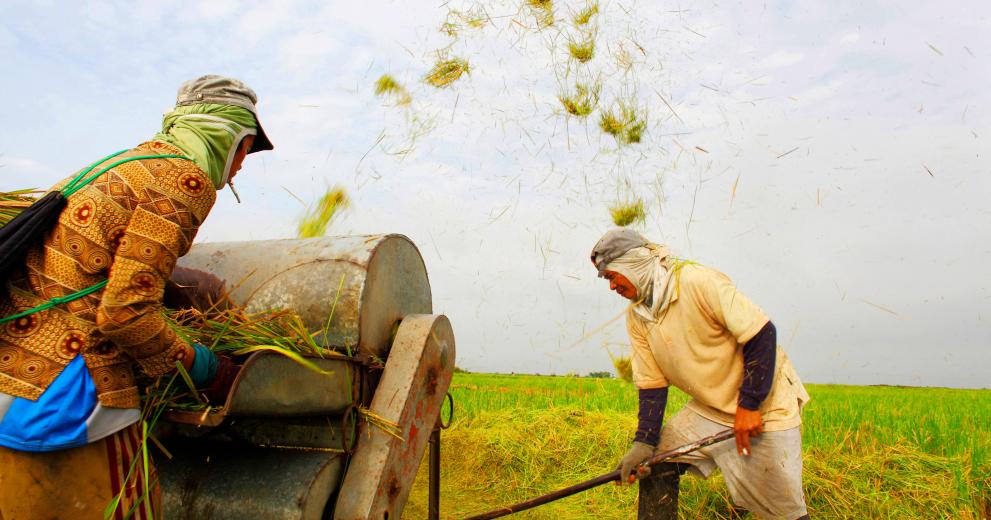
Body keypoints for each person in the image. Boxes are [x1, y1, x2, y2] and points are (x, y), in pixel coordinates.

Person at [0, 75, 273, 519]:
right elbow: (124, 313)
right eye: (247, 147)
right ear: (227, 138)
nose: (243, 164)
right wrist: (205, 368)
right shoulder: (184, 180)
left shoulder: (118, 166)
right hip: (69, 396)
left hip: (12, 379)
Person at [591, 228, 811, 520]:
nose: (611, 286)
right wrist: (643, 443)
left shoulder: (697, 281)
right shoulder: (638, 316)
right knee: (656, 462)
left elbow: (761, 334)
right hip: (711, 410)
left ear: (631, 264)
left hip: (766, 405)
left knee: (783, 511)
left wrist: (749, 405)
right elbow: (652, 385)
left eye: (611, 276)